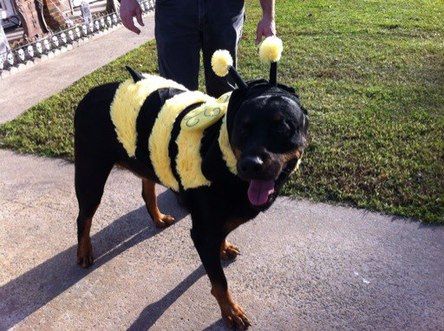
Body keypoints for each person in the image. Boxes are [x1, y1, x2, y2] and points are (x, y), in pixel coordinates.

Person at [120, 0, 276, 97]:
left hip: (224, 9)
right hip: (175, 10)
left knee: (223, 90)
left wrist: (268, 15)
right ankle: (178, 148)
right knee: (175, 92)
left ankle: (219, 147)